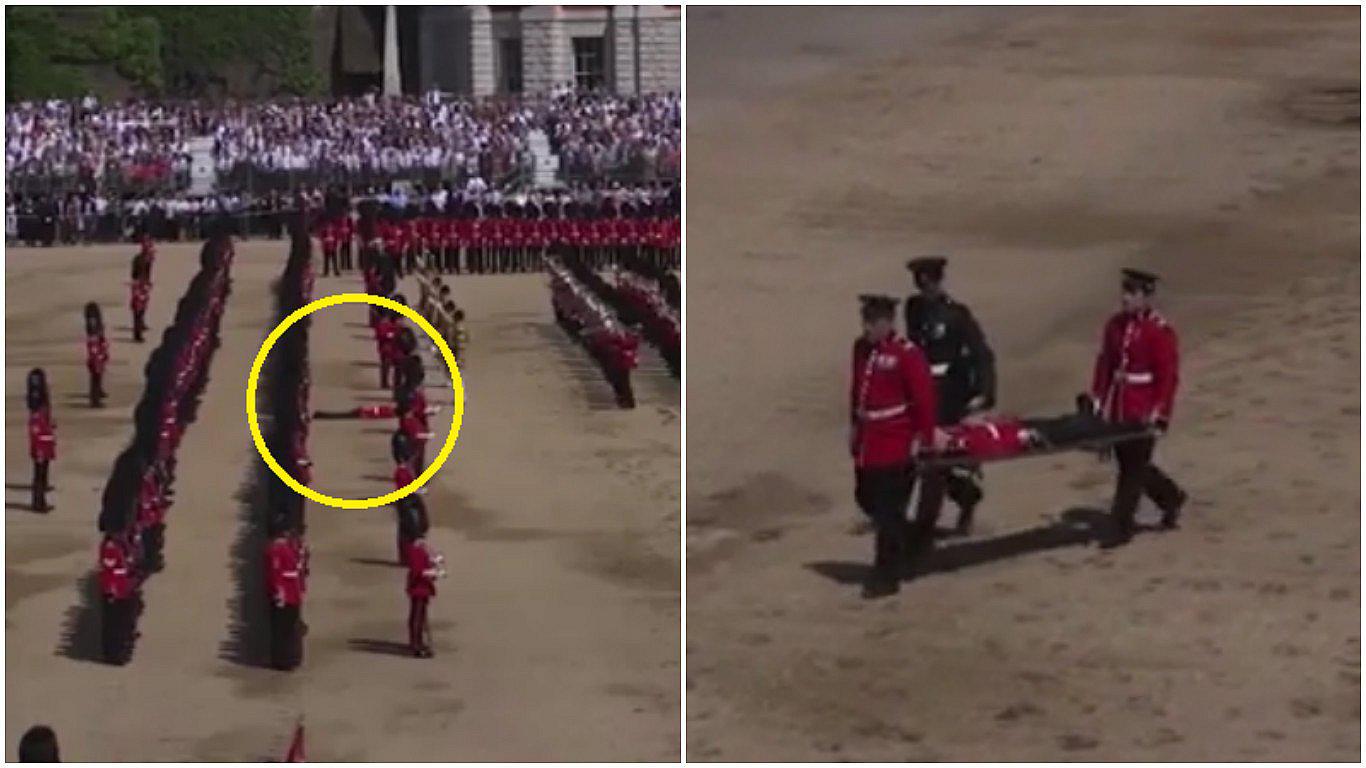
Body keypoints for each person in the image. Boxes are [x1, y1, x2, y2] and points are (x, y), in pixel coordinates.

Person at [848, 295, 938, 598]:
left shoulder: (906, 354)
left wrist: (923, 440)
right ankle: (912, 539)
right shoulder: (861, 349)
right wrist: (854, 429)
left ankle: (886, 576)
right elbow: (858, 391)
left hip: (896, 442)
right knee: (865, 498)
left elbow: (923, 401)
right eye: (866, 320)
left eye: (873, 322)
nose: (867, 328)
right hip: (869, 441)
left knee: (887, 512)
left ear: (888, 322)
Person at [1090, 268, 1187, 546]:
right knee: (1133, 464)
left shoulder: (1158, 331)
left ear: (1146, 297)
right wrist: (1099, 398)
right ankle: (1170, 496)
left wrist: (1161, 411)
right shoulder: (1115, 326)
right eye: (1125, 292)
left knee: (1132, 470)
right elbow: (1106, 363)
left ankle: (1121, 525)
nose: (1125, 298)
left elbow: (1167, 376)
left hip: (1142, 408)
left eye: (1132, 293)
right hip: (1120, 406)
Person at [903, 256, 996, 537]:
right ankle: (966, 496)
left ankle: (923, 527)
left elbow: (981, 354)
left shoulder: (957, 315)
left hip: (948, 396)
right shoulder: (914, 309)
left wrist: (985, 392)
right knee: (920, 459)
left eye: (929, 282)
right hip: (920, 393)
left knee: (935, 462)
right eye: (921, 283)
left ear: (939, 281)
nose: (925, 288)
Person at [265, 528, 306, 670]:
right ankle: (282, 659)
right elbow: (275, 573)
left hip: (292, 592)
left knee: (289, 626)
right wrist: (279, 593)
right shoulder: (276, 549)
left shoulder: (289, 546)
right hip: (285, 594)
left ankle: (289, 657)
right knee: (282, 628)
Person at [99, 531, 138, 664]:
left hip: (118, 585)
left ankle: (114, 649)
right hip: (120, 587)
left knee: (114, 617)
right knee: (120, 617)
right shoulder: (115, 544)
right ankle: (118, 650)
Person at [405, 532, 442, 658]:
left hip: (421, 588)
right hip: (419, 588)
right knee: (418, 617)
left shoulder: (418, 551)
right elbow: (418, 572)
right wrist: (432, 573)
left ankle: (417, 642)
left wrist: (434, 562)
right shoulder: (416, 552)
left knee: (419, 616)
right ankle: (416, 645)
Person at [26, 369, 55, 512]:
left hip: (44, 444)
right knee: (39, 475)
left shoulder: (40, 411)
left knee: (41, 474)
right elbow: (36, 431)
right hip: (41, 447)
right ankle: (38, 502)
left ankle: (40, 500)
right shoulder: (37, 414)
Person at [83, 302, 110, 408]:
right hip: (96, 357)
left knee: (97, 377)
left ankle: (97, 393)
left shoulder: (95, 329)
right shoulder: (93, 334)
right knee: (95, 378)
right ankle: (94, 399)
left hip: (98, 355)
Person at [129, 245, 153, 343]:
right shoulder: (145, 260)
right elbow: (146, 273)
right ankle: (138, 332)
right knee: (139, 309)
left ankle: (138, 330)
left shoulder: (139, 259)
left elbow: (134, 274)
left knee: (138, 309)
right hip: (141, 285)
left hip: (139, 285)